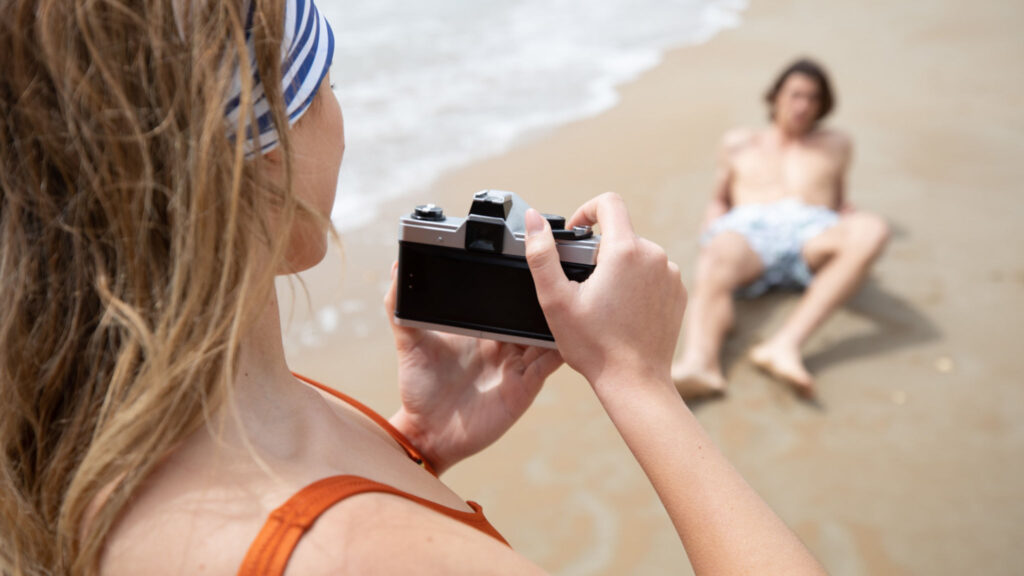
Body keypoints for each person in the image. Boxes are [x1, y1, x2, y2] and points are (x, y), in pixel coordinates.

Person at [0, 1, 826, 574]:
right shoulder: (356, 556)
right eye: (320, 84)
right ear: (266, 155)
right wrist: (639, 382)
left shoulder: (73, 428)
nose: (336, 110)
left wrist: (411, 450)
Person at [671, 58, 890, 399]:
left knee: (872, 229)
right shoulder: (739, 142)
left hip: (812, 232)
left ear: (823, 105)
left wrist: (850, 222)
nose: (803, 105)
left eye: (813, 98)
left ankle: (784, 346)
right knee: (718, 247)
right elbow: (720, 200)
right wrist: (711, 227)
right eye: (795, 95)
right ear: (775, 97)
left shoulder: (836, 143)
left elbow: (840, 200)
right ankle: (701, 364)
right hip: (750, 232)